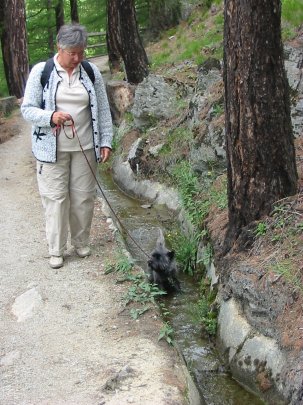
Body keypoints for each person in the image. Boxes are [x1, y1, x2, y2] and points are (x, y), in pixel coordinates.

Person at [21, 23, 113, 269]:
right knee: (55, 198)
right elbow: (27, 109)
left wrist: (106, 141)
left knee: (83, 198)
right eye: (72, 53)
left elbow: (103, 109)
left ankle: (81, 242)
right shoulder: (42, 72)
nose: (77, 58)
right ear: (58, 48)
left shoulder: (91, 72)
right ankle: (56, 249)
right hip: (50, 151)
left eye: (81, 52)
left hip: (85, 149)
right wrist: (50, 116)